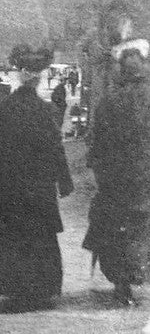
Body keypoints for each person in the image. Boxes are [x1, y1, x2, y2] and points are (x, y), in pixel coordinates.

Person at [0, 46, 73, 312]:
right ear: (40, 79)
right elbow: (56, 147)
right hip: (37, 183)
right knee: (37, 235)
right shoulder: (47, 112)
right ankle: (39, 291)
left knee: (5, 236)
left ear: (18, 77)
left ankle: (6, 288)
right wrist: (63, 181)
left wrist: (10, 157)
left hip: (4, 181)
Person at [83, 40, 150, 306]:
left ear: (121, 71)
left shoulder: (109, 101)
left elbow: (97, 143)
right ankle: (138, 274)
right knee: (142, 228)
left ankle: (122, 284)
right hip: (146, 177)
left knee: (115, 228)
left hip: (115, 180)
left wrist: (100, 173)